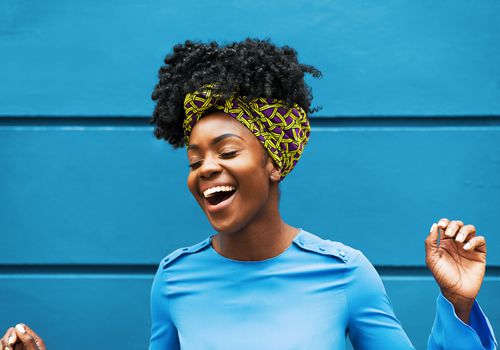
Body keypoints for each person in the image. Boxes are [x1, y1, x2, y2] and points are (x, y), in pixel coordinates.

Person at [2, 38, 497, 350]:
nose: (206, 169)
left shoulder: (346, 272)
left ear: (275, 161)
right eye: (195, 159)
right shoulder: (174, 279)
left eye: (227, 151)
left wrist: (457, 306)